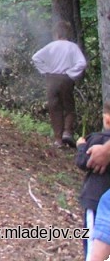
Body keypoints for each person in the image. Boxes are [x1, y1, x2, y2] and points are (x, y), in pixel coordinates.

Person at [32, 21, 87, 148]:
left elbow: (36, 57)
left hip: (51, 79)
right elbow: (82, 63)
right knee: (69, 107)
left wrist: (46, 71)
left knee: (54, 108)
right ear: (68, 33)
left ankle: (58, 140)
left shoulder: (51, 46)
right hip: (65, 79)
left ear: (56, 33)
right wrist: (71, 72)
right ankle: (67, 132)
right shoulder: (72, 47)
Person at [77, 103, 110, 258]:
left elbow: (82, 162)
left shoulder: (96, 139)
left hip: (95, 200)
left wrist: (81, 146)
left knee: (92, 238)